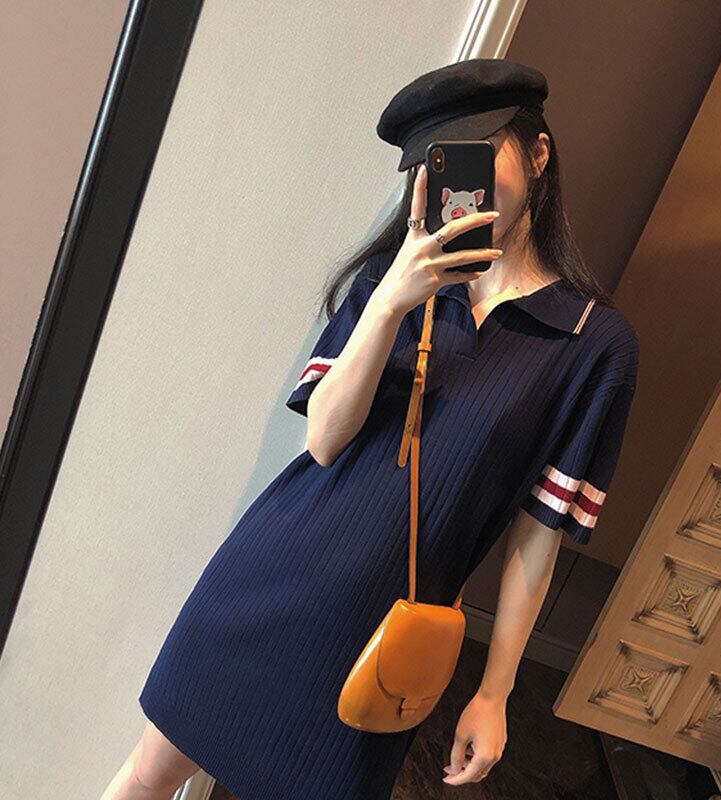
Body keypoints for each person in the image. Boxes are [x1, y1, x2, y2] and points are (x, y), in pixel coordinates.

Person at [101, 58, 639, 800]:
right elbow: (324, 441)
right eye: (438, 162)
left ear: (539, 154)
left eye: (479, 151)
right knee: (148, 774)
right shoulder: (389, 281)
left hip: (387, 635)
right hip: (271, 578)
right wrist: (391, 301)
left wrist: (495, 693)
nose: (458, 179)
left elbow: (537, 534)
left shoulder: (592, 344)